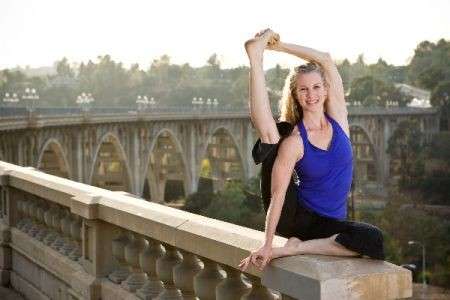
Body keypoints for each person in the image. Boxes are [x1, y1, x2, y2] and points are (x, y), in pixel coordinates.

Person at [238, 29, 385, 272]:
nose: (311, 95)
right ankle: (255, 58)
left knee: (371, 239)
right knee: (273, 136)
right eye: (303, 90)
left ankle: (298, 246)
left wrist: (280, 47)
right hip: (297, 216)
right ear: (295, 95)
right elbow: (277, 195)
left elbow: (325, 59)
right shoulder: (295, 140)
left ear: (326, 90)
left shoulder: (338, 119)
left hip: (328, 224)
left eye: (316, 87)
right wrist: (267, 244)